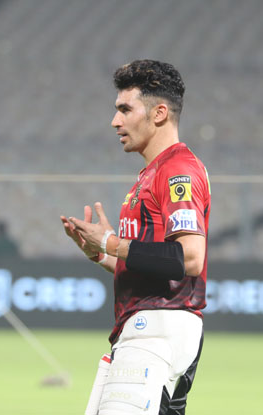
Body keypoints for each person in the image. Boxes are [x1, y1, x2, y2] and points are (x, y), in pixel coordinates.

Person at [61, 60, 210, 414]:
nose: (116, 121)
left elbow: (188, 259)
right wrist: (101, 254)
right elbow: (150, 263)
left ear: (159, 113)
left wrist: (112, 243)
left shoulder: (178, 172)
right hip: (144, 330)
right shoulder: (151, 174)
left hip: (160, 329)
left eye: (125, 110)